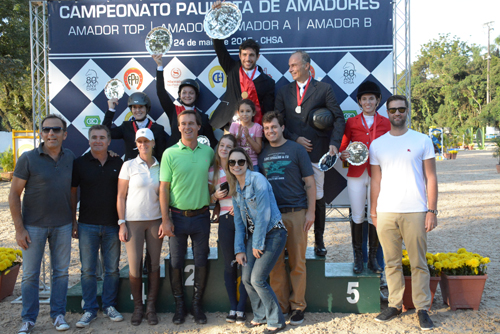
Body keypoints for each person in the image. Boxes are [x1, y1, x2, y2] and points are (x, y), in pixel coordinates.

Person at [370, 95, 438, 330]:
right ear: (386, 113)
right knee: (391, 263)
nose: (397, 113)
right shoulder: (377, 144)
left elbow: (431, 177)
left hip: (416, 211)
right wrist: (374, 211)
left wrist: (431, 210)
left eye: (401, 109)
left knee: (419, 263)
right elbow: (375, 181)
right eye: (392, 110)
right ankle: (395, 304)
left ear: (407, 111)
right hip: (386, 211)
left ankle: (422, 308)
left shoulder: (422, 140)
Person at [275, 50, 345, 257]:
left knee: (318, 196)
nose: (290, 69)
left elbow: (339, 119)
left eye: (294, 65)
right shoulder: (283, 91)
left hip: (317, 153)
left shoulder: (324, 89)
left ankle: (320, 240)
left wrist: (334, 144)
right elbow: (278, 123)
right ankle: (287, 243)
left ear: (307, 65)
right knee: (290, 196)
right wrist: (295, 138)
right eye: (289, 66)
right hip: (290, 152)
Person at [9, 114, 75, 333]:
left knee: (61, 273)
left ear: (64, 134)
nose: (51, 134)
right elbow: (13, 195)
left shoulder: (71, 158)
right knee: (29, 275)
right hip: (33, 227)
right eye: (46, 130)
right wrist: (19, 229)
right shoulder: (28, 158)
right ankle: (28, 320)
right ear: (41, 133)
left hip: (63, 225)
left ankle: (58, 315)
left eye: (56, 130)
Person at [259, 112, 316, 326]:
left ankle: (298, 307)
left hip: (296, 212)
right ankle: (280, 307)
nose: (270, 131)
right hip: (271, 216)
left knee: (297, 262)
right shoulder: (262, 153)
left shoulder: (296, 149)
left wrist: (311, 212)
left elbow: (310, 182)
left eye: (273, 127)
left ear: (282, 127)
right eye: (266, 129)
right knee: (274, 265)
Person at [159, 110, 215, 325]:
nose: (187, 127)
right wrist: (165, 220)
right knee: (176, 262)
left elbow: (217, 175)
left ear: (199, 127)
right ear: (179, 127)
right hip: (176, 217)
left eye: (192, 123)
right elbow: (163, 189)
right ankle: (179, 306)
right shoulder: (169, 153)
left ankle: (197, 306)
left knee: (201, 260)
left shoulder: (208, 152)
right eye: (184, 123)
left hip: (201, 217)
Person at [228, 147, 287, 333]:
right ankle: (260, 315)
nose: (236, 165)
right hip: (255, 236)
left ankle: (276, 321)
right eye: (232, 162)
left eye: (240, 161)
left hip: (273, 233)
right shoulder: (236, 190)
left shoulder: (258, 180)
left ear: (247, 162)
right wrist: (239, 250)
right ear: (229, 166)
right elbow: (239, 223)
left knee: (258, 279)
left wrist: (257, 244)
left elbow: (264, 214)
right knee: (246, 278)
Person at [71, 125, 124, 328]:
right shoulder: (80, 163)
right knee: (88, 271)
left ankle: (109, 305)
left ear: (109, 141)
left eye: (102, 137)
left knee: (112, 270)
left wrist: (123, 222)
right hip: (87, 225)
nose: (98, 141)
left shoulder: (118, 162)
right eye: (94, 137)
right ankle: (90, 309)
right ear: (89, 140)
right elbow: (72, 192)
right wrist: (74, 220)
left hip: (112, 225)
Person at [339, 81, 391, 276]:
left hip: (378, 174)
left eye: (371, 98)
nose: (368, 102)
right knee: (358, 215)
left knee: (374, 216)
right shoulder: (352, 122)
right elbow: (344, 146)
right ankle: (358, 258)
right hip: (356, 174)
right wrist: (343, 154)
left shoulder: (386, 122)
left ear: (378, 101)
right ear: (359, 102)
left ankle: (373, 260)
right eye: (364, 99)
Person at [117, 128, 164, 326]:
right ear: (136, 144)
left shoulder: (162, 166)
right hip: (133, 222)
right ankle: (138, 308)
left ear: (153, 143)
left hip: (155, 221)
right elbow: (120, 196)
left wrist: (165, 219)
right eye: (140, 142)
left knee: (153, 265)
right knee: (135, 266)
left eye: (147, 141)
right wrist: (121, 223)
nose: (143, 145)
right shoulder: (128, 165)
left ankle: (151, 308)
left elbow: (165, 196)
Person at [209, 1, 275, 129]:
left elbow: (268, 111)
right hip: (230, 126)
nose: (247, 59)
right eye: (244, 55)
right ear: (239, 56)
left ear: (257, 57)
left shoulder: (268, 82)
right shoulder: (232, 68)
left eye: (251, 55)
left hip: (254, 129)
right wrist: (216, 15)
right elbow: (219, 46)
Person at [208, 134, 249, 324]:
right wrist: (214, 196)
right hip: (225, 220)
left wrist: (241, 205)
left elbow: (252, 192)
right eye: (222, 145)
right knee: (229, 265)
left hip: (243, 219)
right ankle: (233, 306)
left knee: (245, 264)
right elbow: (206, 199)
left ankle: (242, 308)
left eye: (228, 146)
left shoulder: (239, 166)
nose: (224, 149)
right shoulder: (212, 171)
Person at [152, 54, 217, 148]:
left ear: (196, 96)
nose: (187, 96)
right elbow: (160, 92)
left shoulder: (203, 117)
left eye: (191, 93)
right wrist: (159, 66)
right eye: (184, 92)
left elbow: (211, 142)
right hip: (175, 157)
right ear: (179, 95)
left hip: (196, 158)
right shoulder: (173, 110)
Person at [103, 92, 168, 162]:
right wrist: (111, 110)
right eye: (134, 107)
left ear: (147, 108)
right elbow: (105, 133)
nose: (137, 110)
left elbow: (161, 155)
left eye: (141, 107)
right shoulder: (126, 127)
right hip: (131, 170)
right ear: (131, 109)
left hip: (150, 169)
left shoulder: (158, 129)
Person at [229, 99, 262, 171]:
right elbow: (230, 146)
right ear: (238, 113)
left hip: (252, 163)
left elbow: (258, 150)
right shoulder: (234, 125)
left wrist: (248, 137)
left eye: (248, 111)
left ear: (253, 113)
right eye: (242, 111)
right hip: (237, 162)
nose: (245, 114)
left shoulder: (257, 127)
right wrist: (237, 138)